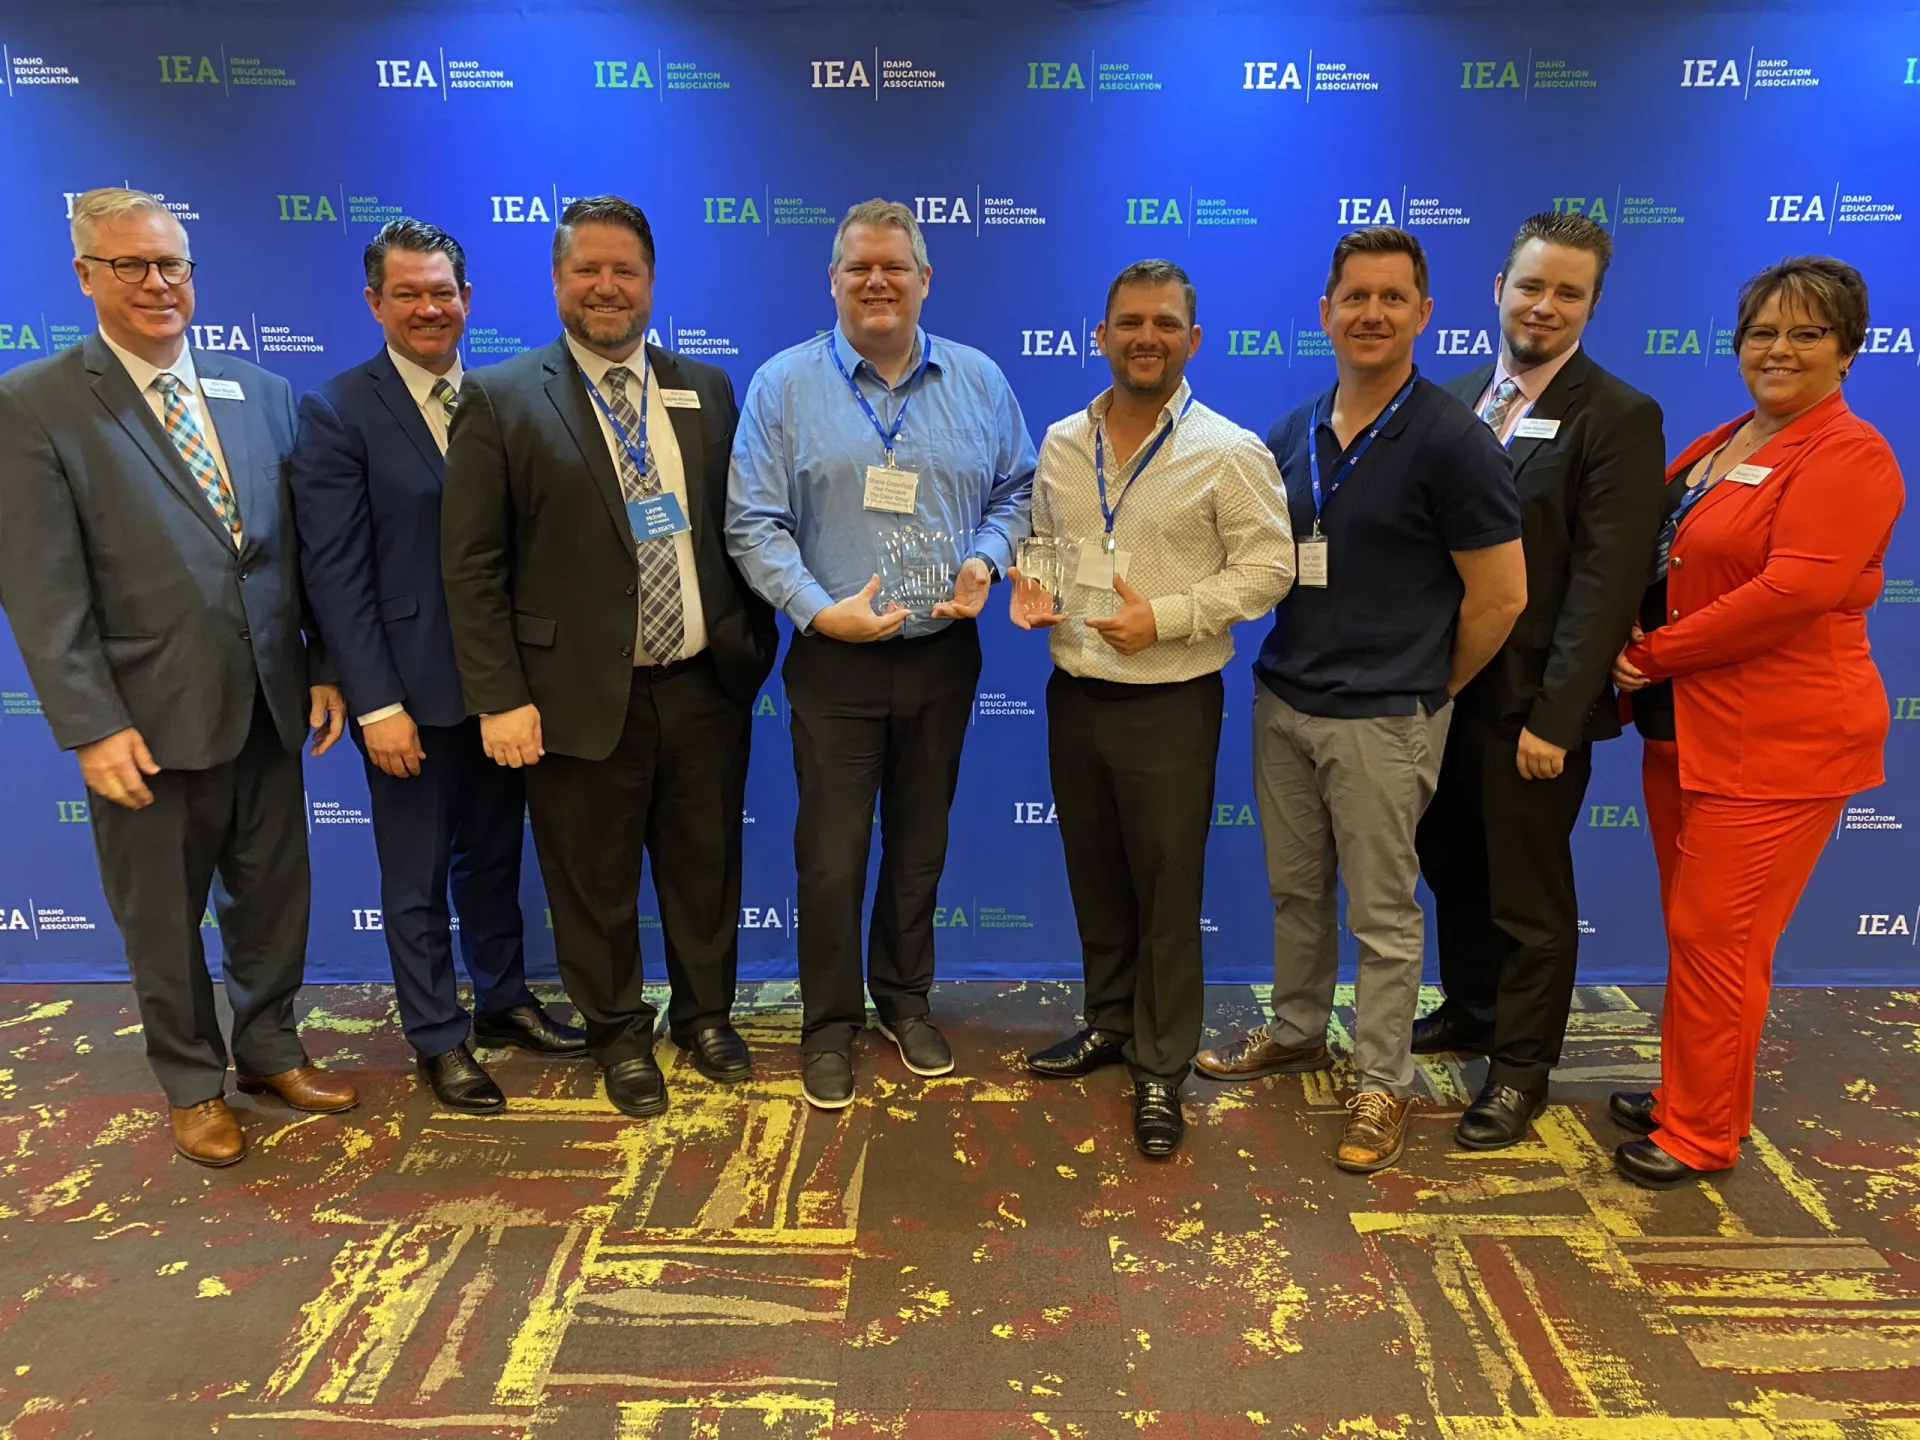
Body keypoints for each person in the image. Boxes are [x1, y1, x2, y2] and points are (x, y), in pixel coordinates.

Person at [0, 187, 356, 1166]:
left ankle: (270, 1050)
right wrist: (89, 723)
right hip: (143, 722)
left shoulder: (262, 392)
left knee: (273, 898)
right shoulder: (35, 404)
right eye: (132, 265)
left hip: (270, 705)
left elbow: (302, 556)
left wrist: (323, 664)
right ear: (85, 275)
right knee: (161, 918)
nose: (158, 283)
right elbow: (40, 584)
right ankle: (193, 1084)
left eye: (172, 264)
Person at [1194, 227, 1525, 1174]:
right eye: (1355, 297)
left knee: (1382, 915)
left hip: (1388, 717)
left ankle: (1383, 1080)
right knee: (1296, 890)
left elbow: (1501, 597)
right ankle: (1298, 1029)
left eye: (1392, 298)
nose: (1371, 314)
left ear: (1424, 314)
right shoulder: (1292, 433)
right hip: (1286, 701)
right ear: (1326, 312)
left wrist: (1429, 688)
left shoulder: (1454, 441)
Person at [440, 195, 777, 1119]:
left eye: (624, 270)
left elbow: (738, 528)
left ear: (651, 282)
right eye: (586, 269)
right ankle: (620, 1034)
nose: (606, 286)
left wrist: (748, 647)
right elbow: (471, 567)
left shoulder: (705, 388)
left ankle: (705, 1016)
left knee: (705, 870)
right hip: (574, 694)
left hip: (703, 684)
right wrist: (499, 696)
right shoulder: (502, 397)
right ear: (557, 280)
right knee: (592, 884)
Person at [726, 198, 1036, 1110]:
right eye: (858, 267)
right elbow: (752, 522)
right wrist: (819, 612)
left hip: (943, 651)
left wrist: (987, 560)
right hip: (834, 660)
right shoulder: (784, 386)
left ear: (924, 279)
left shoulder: (979, 380)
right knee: (831, 857)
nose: (876, 282)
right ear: (833, 281)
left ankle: (904, 1000)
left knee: (919, 848)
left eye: (894, 267)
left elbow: (1019, 490)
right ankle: (829, 1023)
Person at [1608, 256, 1904, 1188]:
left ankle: (1701, 1134)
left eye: (1807, 334)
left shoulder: (1850, 454)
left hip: (1780, 742)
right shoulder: (1723, 440)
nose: (1780, 350)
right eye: (1763, 333)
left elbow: (1792, 593)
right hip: (1686, 732)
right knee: (1699, 935)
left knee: (1719, 938)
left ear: (1848, 352)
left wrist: (1653, 653)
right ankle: (1693, 1096)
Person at [290, 219, 586, 1115]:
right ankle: (437, 1036)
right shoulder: (339, 410)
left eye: (443, 292)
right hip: (407, 693)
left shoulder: (502, 397)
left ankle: (503, 1001)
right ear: (374, 302)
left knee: (494, 859)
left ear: (468, 299)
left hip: (504, 689)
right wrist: (375, 702)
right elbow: (334, 573)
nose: (429, 308)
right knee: (415, 878)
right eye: (408, 293)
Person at [1013, 260, 1292, 1156]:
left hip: (1171, 702)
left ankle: (1161, 1066)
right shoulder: (1063, 441)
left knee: (1168, 892)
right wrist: (1031, 583)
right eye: (1129, 322)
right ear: (1100, 336)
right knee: (1096, 877)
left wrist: (1164, 618)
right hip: (1074, 692)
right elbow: (1045, 538)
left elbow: (1270, 568)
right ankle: (1109, 1021)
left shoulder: (1228, 450)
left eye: (1165, 324)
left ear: (1192, 340)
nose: (1146, 337)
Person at [1411, 213, 1667, 1150]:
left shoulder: (1619, 416)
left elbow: (1605, 584)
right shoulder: (1449, 399)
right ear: (1499, 289)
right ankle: (1473, 1007)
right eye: (1531, 286)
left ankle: (1521, 1070)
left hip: (1530, 709)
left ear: (1592, 305)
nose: (1544, 306)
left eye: (1568, 293)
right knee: (1451, 869)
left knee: (1527, 896)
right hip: (1440, 695)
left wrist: (1558, 718)